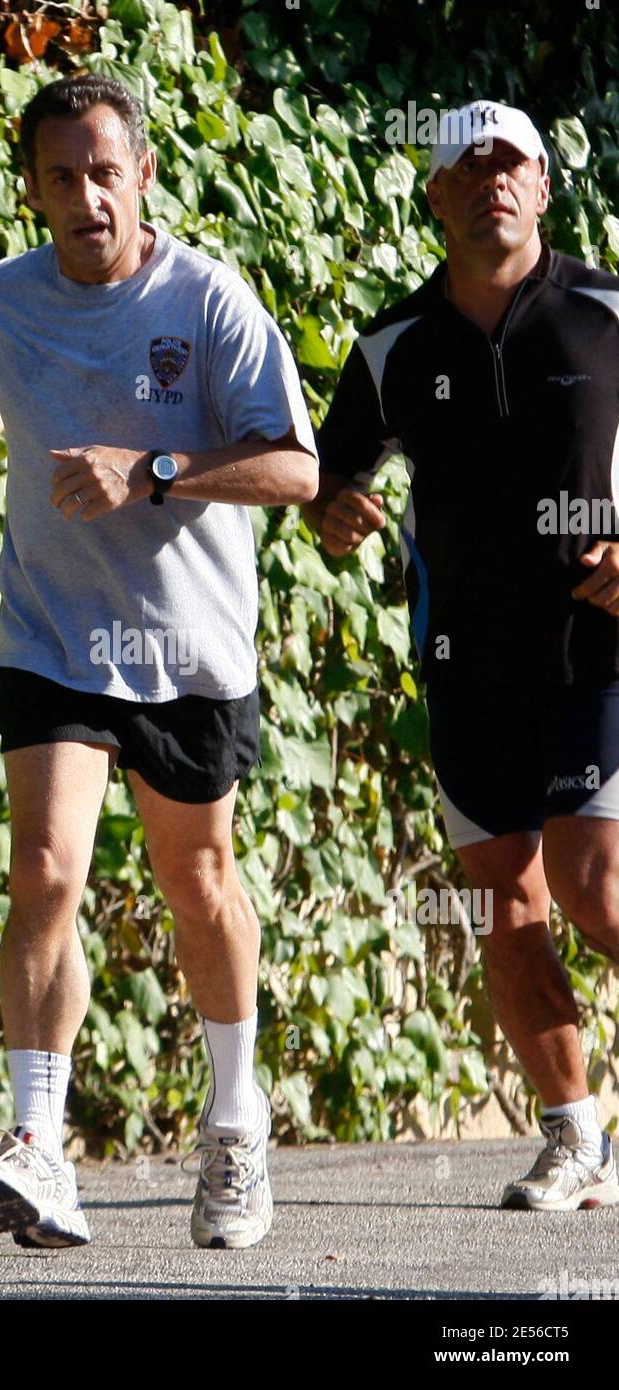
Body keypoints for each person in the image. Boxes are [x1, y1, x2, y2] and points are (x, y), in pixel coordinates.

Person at [0, 74, 318, 1249]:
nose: (83, 195)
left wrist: (155, 471)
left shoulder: (209, 302)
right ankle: (42, 1143)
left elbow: (296, 468)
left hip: (187, 645)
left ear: (141, 175)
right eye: (58, 176)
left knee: (198, 885)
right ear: (32, 190)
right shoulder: (1, 301)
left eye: (101, 170)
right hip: (53, 633)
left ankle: (235, 1120)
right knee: (42, 867)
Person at [309, 99, 619, 1212]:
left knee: (592, 885)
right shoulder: (391, 344)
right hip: (463, 664)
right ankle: (574, 1138)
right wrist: (334, 512)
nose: (490, 179)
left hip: (598, 651)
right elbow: (332, 477)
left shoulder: (605, 314)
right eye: (465, 165)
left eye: (511, 164)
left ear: (543, 187)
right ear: (433, 195)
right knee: (505, 905)